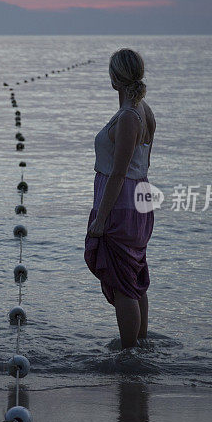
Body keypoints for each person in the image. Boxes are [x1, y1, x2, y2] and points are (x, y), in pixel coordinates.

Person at [84, 48, 156, 349]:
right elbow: (145, 164)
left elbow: (119, 173)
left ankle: (129, 356)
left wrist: (101, 218)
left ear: (115, 78)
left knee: (124, 282)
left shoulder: (129, 116)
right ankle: (139, 346)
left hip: (121, 204)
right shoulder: (144, 110)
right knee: (133, 273)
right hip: (138, 200)